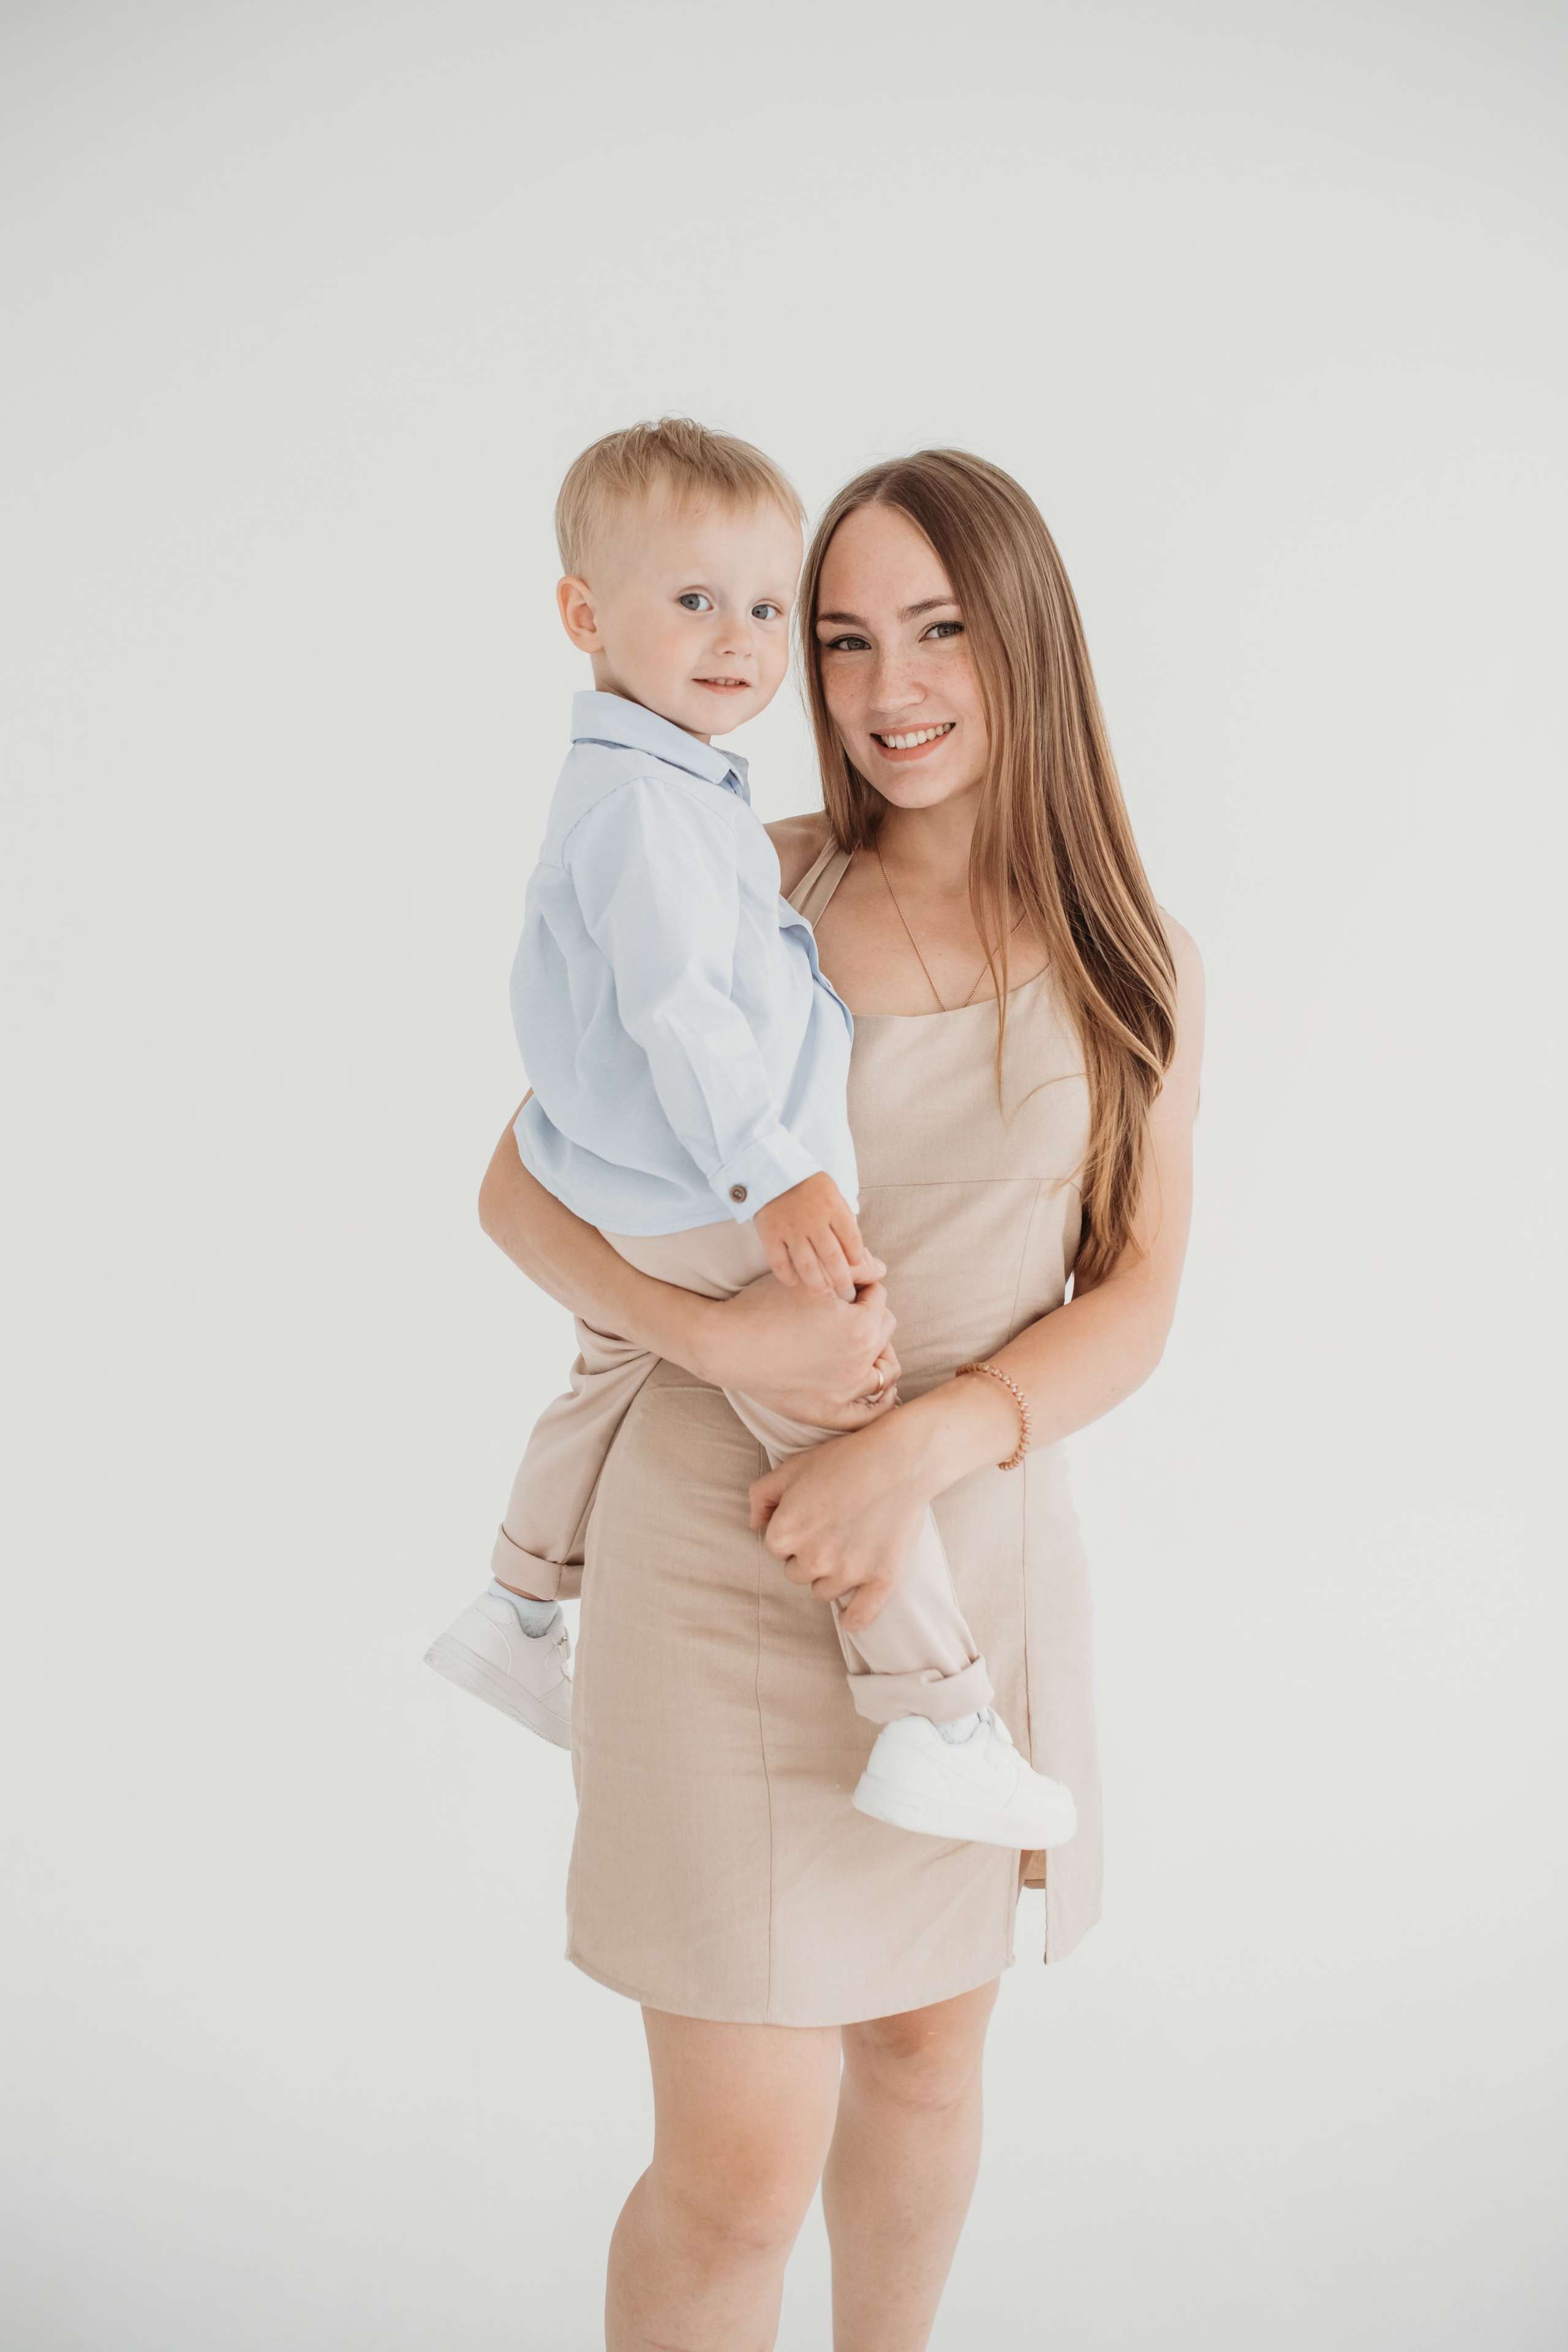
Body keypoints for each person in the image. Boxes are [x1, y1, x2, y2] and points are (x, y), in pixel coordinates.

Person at [475, 446, 1204, 2351]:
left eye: (941, 631)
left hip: (960, 1565)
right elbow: (515, 1188)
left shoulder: (1137, 960)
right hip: (725, 1562)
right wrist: (729, 1346)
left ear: (1024, 639)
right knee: (736, 2171)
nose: (889, 690)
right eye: (851, 637)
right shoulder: (745, 874)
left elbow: (1135, 1304)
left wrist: (918, 1449)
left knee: (927, 2069)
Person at [426, 417, 1074, 1848]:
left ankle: (519, 1601)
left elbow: (1141, 1302)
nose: (749, 644)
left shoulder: (685, 809)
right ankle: (937, 1709)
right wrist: (766, 1204)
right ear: (585, 617)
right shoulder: (696, 832)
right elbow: (669, 1024)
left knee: (616, 1369)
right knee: (842, 1383)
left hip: (976, 1505)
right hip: (714, 1475)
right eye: (838, 636)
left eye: (770, 611)